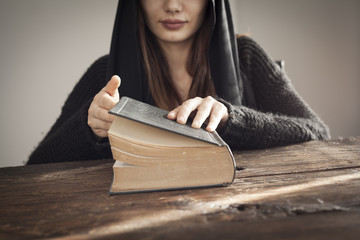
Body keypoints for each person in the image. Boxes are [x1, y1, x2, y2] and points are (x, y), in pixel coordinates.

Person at [27, 0, 330, 164]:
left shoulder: (246, 56)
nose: (172, 6)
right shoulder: (104, 71)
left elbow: (317, 132)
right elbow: (37, 163)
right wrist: (87, 125)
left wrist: (232, 119)